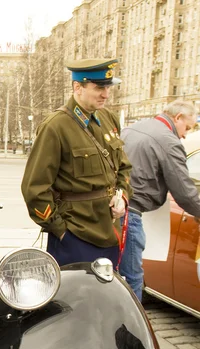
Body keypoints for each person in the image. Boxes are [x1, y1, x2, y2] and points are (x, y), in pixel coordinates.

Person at [21, 58, 132, 267]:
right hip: (76, 235)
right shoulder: (56, 126)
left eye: (108, 87)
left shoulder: (108, 118)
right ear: (77, 87)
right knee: (73, 298)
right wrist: (61, 231)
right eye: (99, 87)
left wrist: (123, 198)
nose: (106, 94)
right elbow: (34, 189)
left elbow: (124, 167)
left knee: (107, 296)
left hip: (110, 231)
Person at [119, 100, 200, 301]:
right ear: (178, 117)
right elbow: (185, 193)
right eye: (187, 128)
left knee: (112, 273)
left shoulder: (134, 127)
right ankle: (132, 329)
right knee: (133, 277)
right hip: (132, 213)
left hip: (115, 208)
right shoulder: (168, 141)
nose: (185, 135)